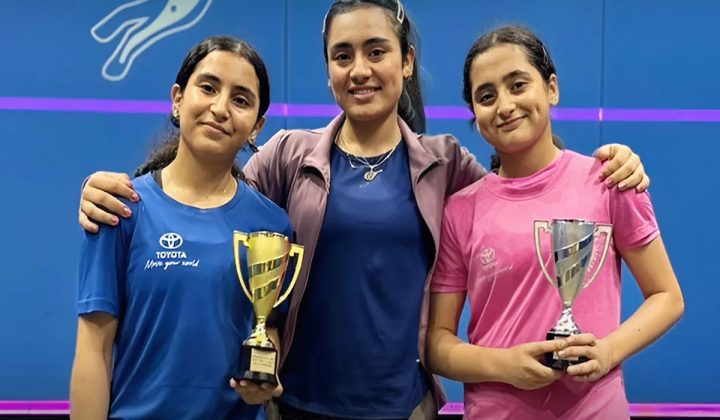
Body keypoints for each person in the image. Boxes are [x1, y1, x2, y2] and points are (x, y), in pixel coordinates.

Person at [75, 2, 650, 418]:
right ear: (329, 71)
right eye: (342, 55)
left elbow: (518, 193)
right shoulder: (288, 156)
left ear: (406, 61)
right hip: (295, 405)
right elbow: (206, 194)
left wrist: (611, 165)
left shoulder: (446, 162)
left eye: (377, 52)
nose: (360, 69)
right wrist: (116, 189)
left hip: (405, 408)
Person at [426, 25, 684, 419]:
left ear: (551, 89)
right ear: (475, 115)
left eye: (518, 85)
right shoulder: (459, 210)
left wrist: (608, 351)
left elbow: (667, 297)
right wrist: (505, 365)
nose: (505, 105)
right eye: (487, 96)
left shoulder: (609, 180)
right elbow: (437, 345)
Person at [69, 35, 289, 419]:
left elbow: (267, 325)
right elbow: (94, 349)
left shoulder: (272, 226)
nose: (220, 108)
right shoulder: (120, 209)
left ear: (257, 126)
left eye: (240, 100)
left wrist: (264, 377)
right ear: (178, 98)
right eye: (208, 88)